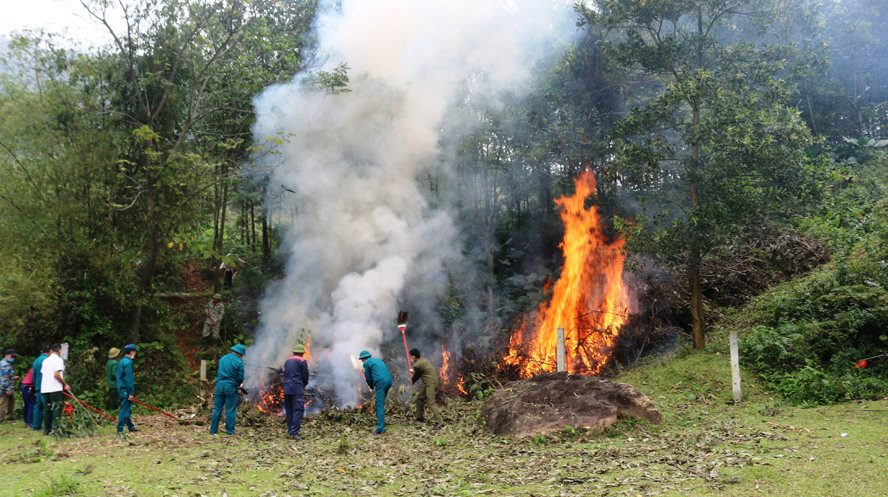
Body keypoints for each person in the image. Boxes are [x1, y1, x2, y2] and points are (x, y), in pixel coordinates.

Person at [209, 344, 245, 436]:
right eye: (242, 355)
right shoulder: (239, 362)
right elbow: (240, 378)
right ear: (240, 354)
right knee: (230, 410)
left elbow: (219, 371)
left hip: (219, 386)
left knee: (217, 408)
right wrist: (237, 384)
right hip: (230, 387)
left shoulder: (223, 358)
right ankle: (230, 432)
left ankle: (213, 431)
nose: (242, 356)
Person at [358, 350, 392, 434]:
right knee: (381, 402)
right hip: (389, 381)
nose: (361, 361)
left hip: (380, 383)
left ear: (363, 359)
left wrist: (371, 386)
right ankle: (381, 421)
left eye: (361, 360)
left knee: (379, 405)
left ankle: (380, 428)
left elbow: (368, 378)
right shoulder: (378, 360)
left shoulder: (366, 364)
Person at [409, 348, 442, 429]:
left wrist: (412, 373)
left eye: (411, 356)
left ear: (413, 356)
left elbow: (417, 373)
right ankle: (419, 417)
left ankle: (440, 422)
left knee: (431, 402)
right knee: (419, 398)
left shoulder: (417, 365)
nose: (410, 358)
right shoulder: (423, 360)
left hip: (430, 383)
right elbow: (419, 373)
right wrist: (413, 376)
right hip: (429, 383)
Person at [40, 344, 69, 435]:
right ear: (59, 351)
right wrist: (64, 384)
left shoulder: (45, 360)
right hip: (55, 388)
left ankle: (47, 429)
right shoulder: (58, 360)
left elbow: (43, 373)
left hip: (45, 388)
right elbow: (56, 374)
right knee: (57, 408)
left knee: (47, 409)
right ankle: (55, 429)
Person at [283, 343, 309, 439]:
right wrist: (304, 385)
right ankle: (295, 433)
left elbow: (285, 374)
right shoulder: (302, 360)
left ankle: (290, 431)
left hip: (286, 389)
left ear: (294, 352)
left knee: (289, 410)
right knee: (298, 410)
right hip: (297, 388)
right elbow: (305, 375)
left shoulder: (287, 360)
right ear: (302, 353)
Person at [116, 344, 138, 433]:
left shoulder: (121, 361)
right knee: (125, 409)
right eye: (135, 351)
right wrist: (131, 393)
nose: (135, 353)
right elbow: (129, 379)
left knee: (127, 407)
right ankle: (120, 429)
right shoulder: (128, 362)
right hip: (125, 389)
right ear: (132, 352)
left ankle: (130, 427)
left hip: (120, 387)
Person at [31, 345, 49, 430]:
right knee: (47, 406)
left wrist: (34, 385)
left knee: (38, 406)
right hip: (45, 386)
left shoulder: (36, 360)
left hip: (38, 386)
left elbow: (33, 375)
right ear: (49, 352)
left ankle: (36, 425)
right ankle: (47, 426)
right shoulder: (47, 360)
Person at [0, 349, 18, 422]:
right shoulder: (5, 364)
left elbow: (7, 376)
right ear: (6, 355)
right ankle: (0, 419)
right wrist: (6, 389)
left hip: (7, 386)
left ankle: (10, 416)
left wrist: (13, 377)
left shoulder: (4, 363)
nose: (13, 358)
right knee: (3, 403)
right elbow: (4, 379)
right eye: (12, 356)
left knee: (11, 402)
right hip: (4, 388)